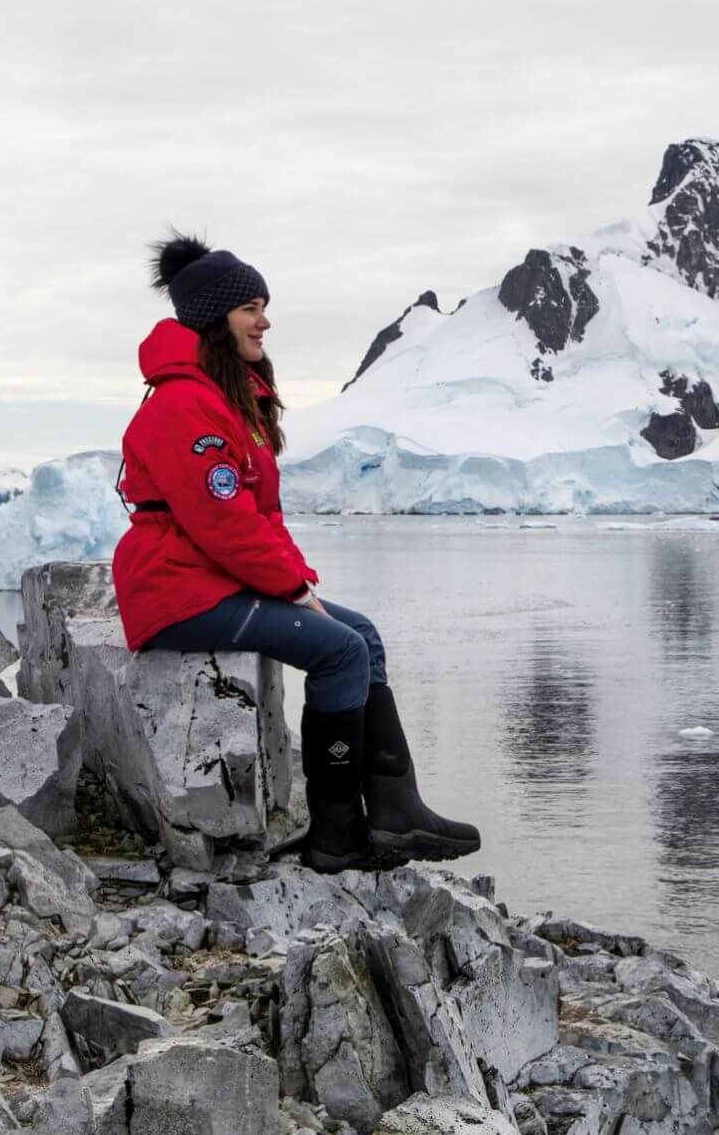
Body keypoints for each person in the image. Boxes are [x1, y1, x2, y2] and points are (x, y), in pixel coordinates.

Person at [110, 234, 478, 873]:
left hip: (207, 580)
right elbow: (220, 520)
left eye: (264, 305)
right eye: (251, 307)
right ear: (214, 318)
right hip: (176, 591)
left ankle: (395, 810)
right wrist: (290, 587)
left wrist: (297, 579)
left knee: (361, 632)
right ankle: (336, 832)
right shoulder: (183, 403)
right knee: (340, 649)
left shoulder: (225, 395)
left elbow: (258, 516)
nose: (265, 320)